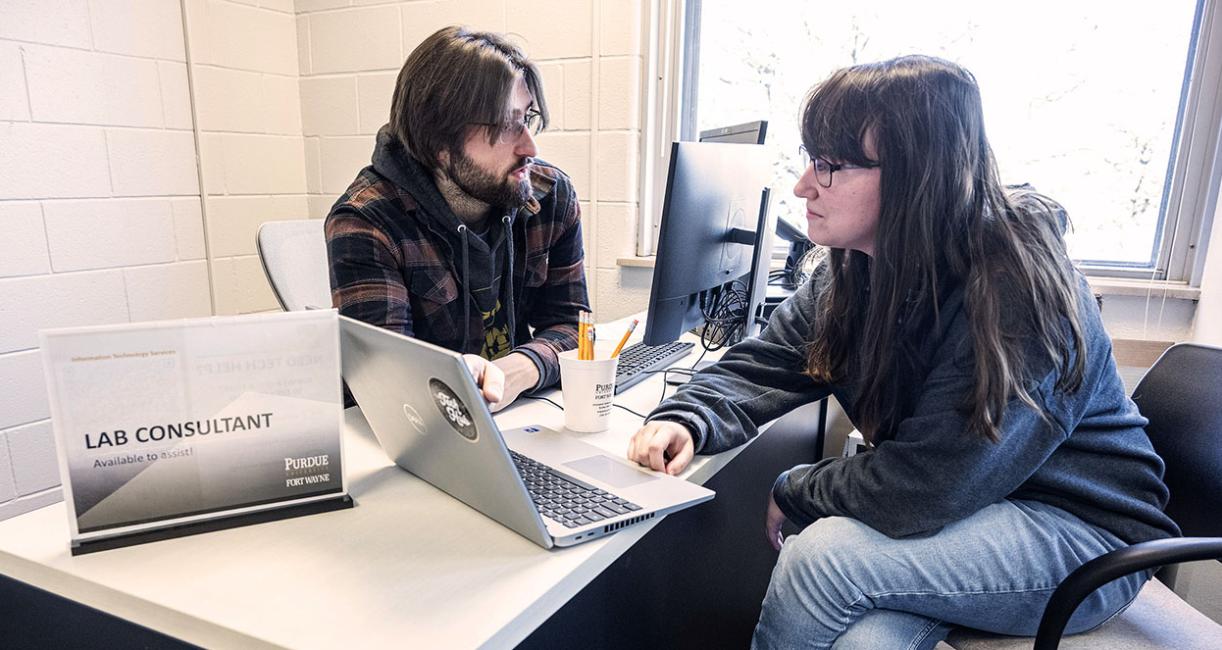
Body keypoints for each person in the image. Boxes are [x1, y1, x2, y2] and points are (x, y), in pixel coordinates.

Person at [627, 55, 1179, 648]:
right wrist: (687, 416)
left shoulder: (1017, 287)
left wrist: (796, 488)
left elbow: (928, 485)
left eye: (829, 166)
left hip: (1074, 533)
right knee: (863, 640)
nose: (802, 186)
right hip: (963, 514)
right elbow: (769, 361)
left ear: (919, 173)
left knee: (823, 557)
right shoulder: (856, 271)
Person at [326, 26, 588, 410]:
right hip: (429, 435)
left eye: (527, 119)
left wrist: (519, 368)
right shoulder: (368, 222)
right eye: (506, 126)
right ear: (439, 144)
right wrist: (448, 380)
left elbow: (573, 327)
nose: (530, 147)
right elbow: (381, 388)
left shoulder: (548, 196)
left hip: (513, 415)